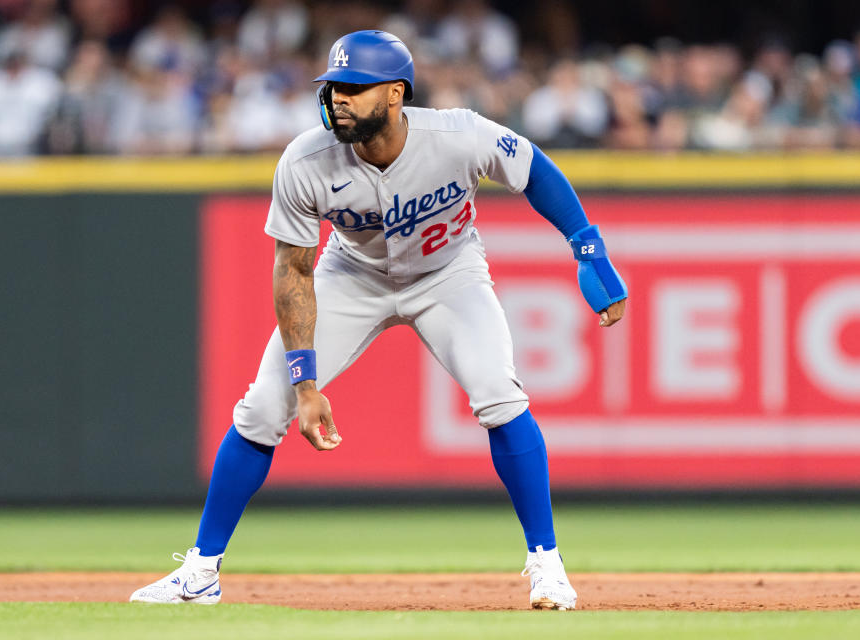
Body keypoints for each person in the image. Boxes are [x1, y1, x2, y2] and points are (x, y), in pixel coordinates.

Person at [130, 30, 627, 610]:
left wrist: (587, 245)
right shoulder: (306, 160)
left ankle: (547, 566)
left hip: (448, 273)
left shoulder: (458, 134)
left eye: (355, 88)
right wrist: (306, 384)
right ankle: (201, 572)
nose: (339, 98)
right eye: (334, 86)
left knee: (499, 394)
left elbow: (535, 170)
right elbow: (293, 272)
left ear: (395, 94)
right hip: (352, 275)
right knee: (263, 407)